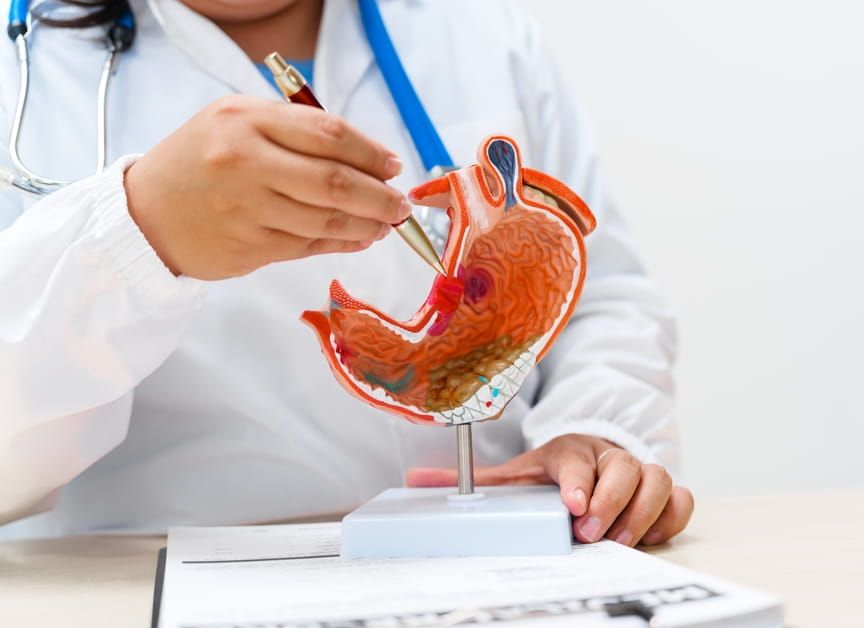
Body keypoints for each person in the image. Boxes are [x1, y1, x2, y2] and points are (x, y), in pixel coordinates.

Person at [0, 0, 692, 546]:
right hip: (153, 593)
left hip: (497, 574)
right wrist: (137, 230)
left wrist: (595, 435)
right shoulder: (24, 68)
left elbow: (602, 298)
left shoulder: (478, 32)